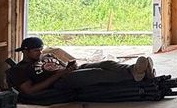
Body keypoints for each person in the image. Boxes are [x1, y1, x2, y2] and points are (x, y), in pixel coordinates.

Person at [8, 37, 155, 95]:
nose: (39, 53)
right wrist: (59, 75)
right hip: (60, 82)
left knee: (107, 63)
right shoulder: (20, 70)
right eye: (35, 51)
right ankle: (139, 73)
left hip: (67, 72)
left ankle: (134, 71)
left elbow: (62, 66)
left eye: (40, 49)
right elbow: (29, 90)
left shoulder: (46, 56)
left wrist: (70, 66)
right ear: (25, 51)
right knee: (96, 72)